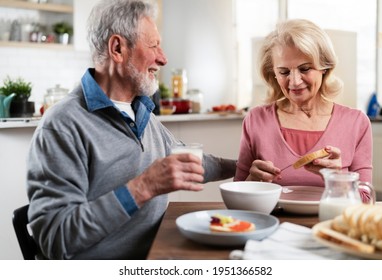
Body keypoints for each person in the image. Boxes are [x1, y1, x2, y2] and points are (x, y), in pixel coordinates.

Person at [26, 0, 236, 260]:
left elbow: (187, 163)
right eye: (153, 45)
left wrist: (240, 167)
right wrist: (143, 187)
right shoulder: (62, 125)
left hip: (156, 254)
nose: (163, 57)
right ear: (117, 48)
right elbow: (55, 239)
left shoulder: (140, 111)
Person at [235, 19, 372, 189]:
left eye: (305, 69)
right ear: (274, 74)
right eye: (284, 72)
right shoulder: (255, 120)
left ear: (324, 67)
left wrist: (338, 180)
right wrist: (251, 183)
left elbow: (366, 201)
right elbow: (237, 196)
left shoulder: (357, 123)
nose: (294, 81)